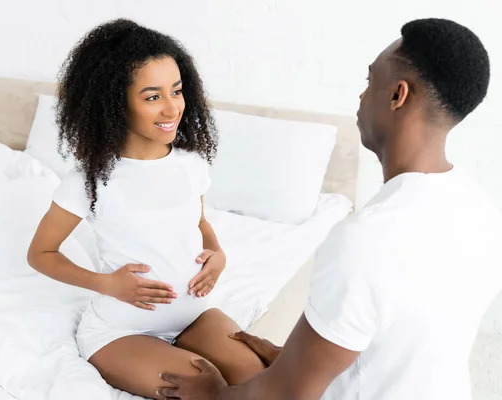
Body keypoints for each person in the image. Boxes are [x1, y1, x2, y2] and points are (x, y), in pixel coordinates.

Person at [158, 17, 502, 400]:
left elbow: (286, 395)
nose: (361, 96)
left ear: (397, 95)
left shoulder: (367, 238)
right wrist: (292, 355)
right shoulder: (479, 209)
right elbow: (406, 331)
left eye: (371, 81)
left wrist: (215, 395)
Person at [27, 19, 264, 399]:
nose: (172, 108)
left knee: (256, 377)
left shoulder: (191, 164)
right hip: (123, 331)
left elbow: (198, 221)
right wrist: (106, 283)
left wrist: (218, 255)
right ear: (114, 103)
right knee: (202, 390)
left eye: (177, 91)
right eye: (153, 96)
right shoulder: (89, 182)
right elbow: (40, 254)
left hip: (195, 315)